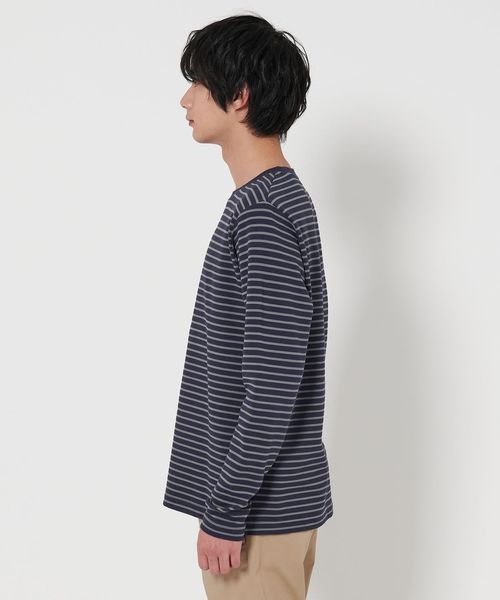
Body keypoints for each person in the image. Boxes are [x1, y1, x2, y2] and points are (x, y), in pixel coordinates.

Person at [162, 13, 334, 599]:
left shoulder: (263, 214)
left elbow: (272, 388)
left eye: (198, 84)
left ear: (238, 97)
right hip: (269, 509)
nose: (186, 99)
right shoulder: (274, 200)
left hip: (259, 518)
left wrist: (226, 508)